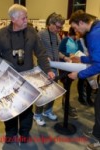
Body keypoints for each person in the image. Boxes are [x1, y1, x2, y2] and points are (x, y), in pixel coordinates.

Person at [0, 4, 55, 146]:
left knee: (26, 111)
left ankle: (24, 134)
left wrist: (48, 70)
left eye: (26, 17)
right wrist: (0, 65)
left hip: (28, 79)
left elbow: (41, 53)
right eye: (23, 18)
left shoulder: (31, 32)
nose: (27, 20)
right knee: (10, 109)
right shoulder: (1, 34)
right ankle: (11, 133)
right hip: (8, 81)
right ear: (13, 19)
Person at [68, 10, 100, 150]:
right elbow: (96, 58)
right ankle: (97, 134)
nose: (76, 31)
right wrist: (81, 59)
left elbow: (98, 64)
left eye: (75, 27)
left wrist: (79, 75)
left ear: (81, 22)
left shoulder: (93, 35)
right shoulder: (97, 28)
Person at [33, 12, 65, 126]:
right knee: (43, 93)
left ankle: (48, 111)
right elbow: (35, 51)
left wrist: (65, 57)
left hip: (55, 69)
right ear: (50, 23)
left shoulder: (56, 36)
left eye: (61, 27)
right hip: (43, 69)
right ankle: (37, 115)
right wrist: (44, 57)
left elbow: (57, 51)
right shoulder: (40, 34)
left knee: (53, 93)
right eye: (57, 27)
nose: (59, 29)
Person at [59, 27, 79, 119]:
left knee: (68, 86)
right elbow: (59, 51)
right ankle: (66, 106)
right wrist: (68, 55)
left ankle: (66, 105)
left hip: (72, 65)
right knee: (66, 86)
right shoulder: (65, 40)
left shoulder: (74, 40)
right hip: (65, 66)